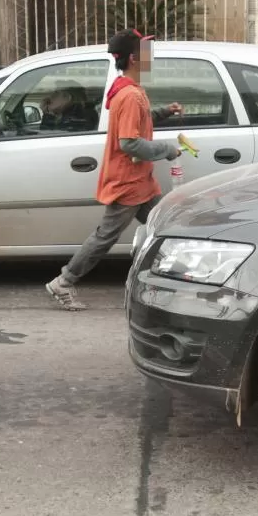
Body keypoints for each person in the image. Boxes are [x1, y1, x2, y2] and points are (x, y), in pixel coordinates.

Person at [45, 29, 183, 311]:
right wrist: (167, 150)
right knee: (105, 237)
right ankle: (64, 281)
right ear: (134, 59)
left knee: (165, 226)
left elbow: (138, 122)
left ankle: (172, 282)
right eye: (146, 52)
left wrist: (164, 112)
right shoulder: (129, 95)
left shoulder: (129, 89)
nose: (151, 58)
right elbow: (130, 143)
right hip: (129, 184)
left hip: (140, 182)